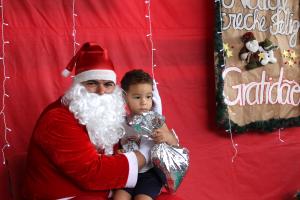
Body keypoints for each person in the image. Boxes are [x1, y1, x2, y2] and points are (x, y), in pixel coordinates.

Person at [22, 43, 151, 200]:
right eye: (92, 83)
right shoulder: (57, 119)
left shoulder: (106, 115)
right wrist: (144, 155)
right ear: (78, 85)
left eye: (108, 84)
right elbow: (91, 172)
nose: (101, 91)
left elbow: (113, 154)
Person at [113, 69, 179, 200]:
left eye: (148, 97)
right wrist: (118, 153)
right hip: (129, 172)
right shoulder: (122, 122)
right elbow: (116, 145)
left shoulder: (155, 120)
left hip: (150, 174)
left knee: (142, 198)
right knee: (119, 197)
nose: (144, 102)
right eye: (137, 97)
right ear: (124, 97)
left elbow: (175, 144)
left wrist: (166, 137)